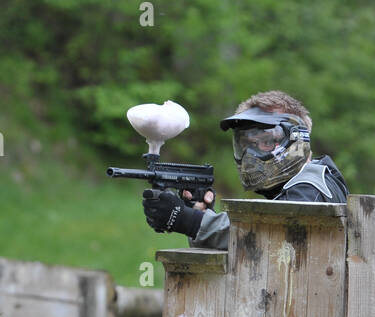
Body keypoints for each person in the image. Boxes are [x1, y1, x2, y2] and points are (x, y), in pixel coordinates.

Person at [141, 91, 348, 250]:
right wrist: (201, 214)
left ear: (297, 138)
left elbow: (271, 235)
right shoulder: (313, 182)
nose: (251, 155)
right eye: (246, 144)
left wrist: (191, 221)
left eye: (266, 141)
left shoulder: (311, 188)